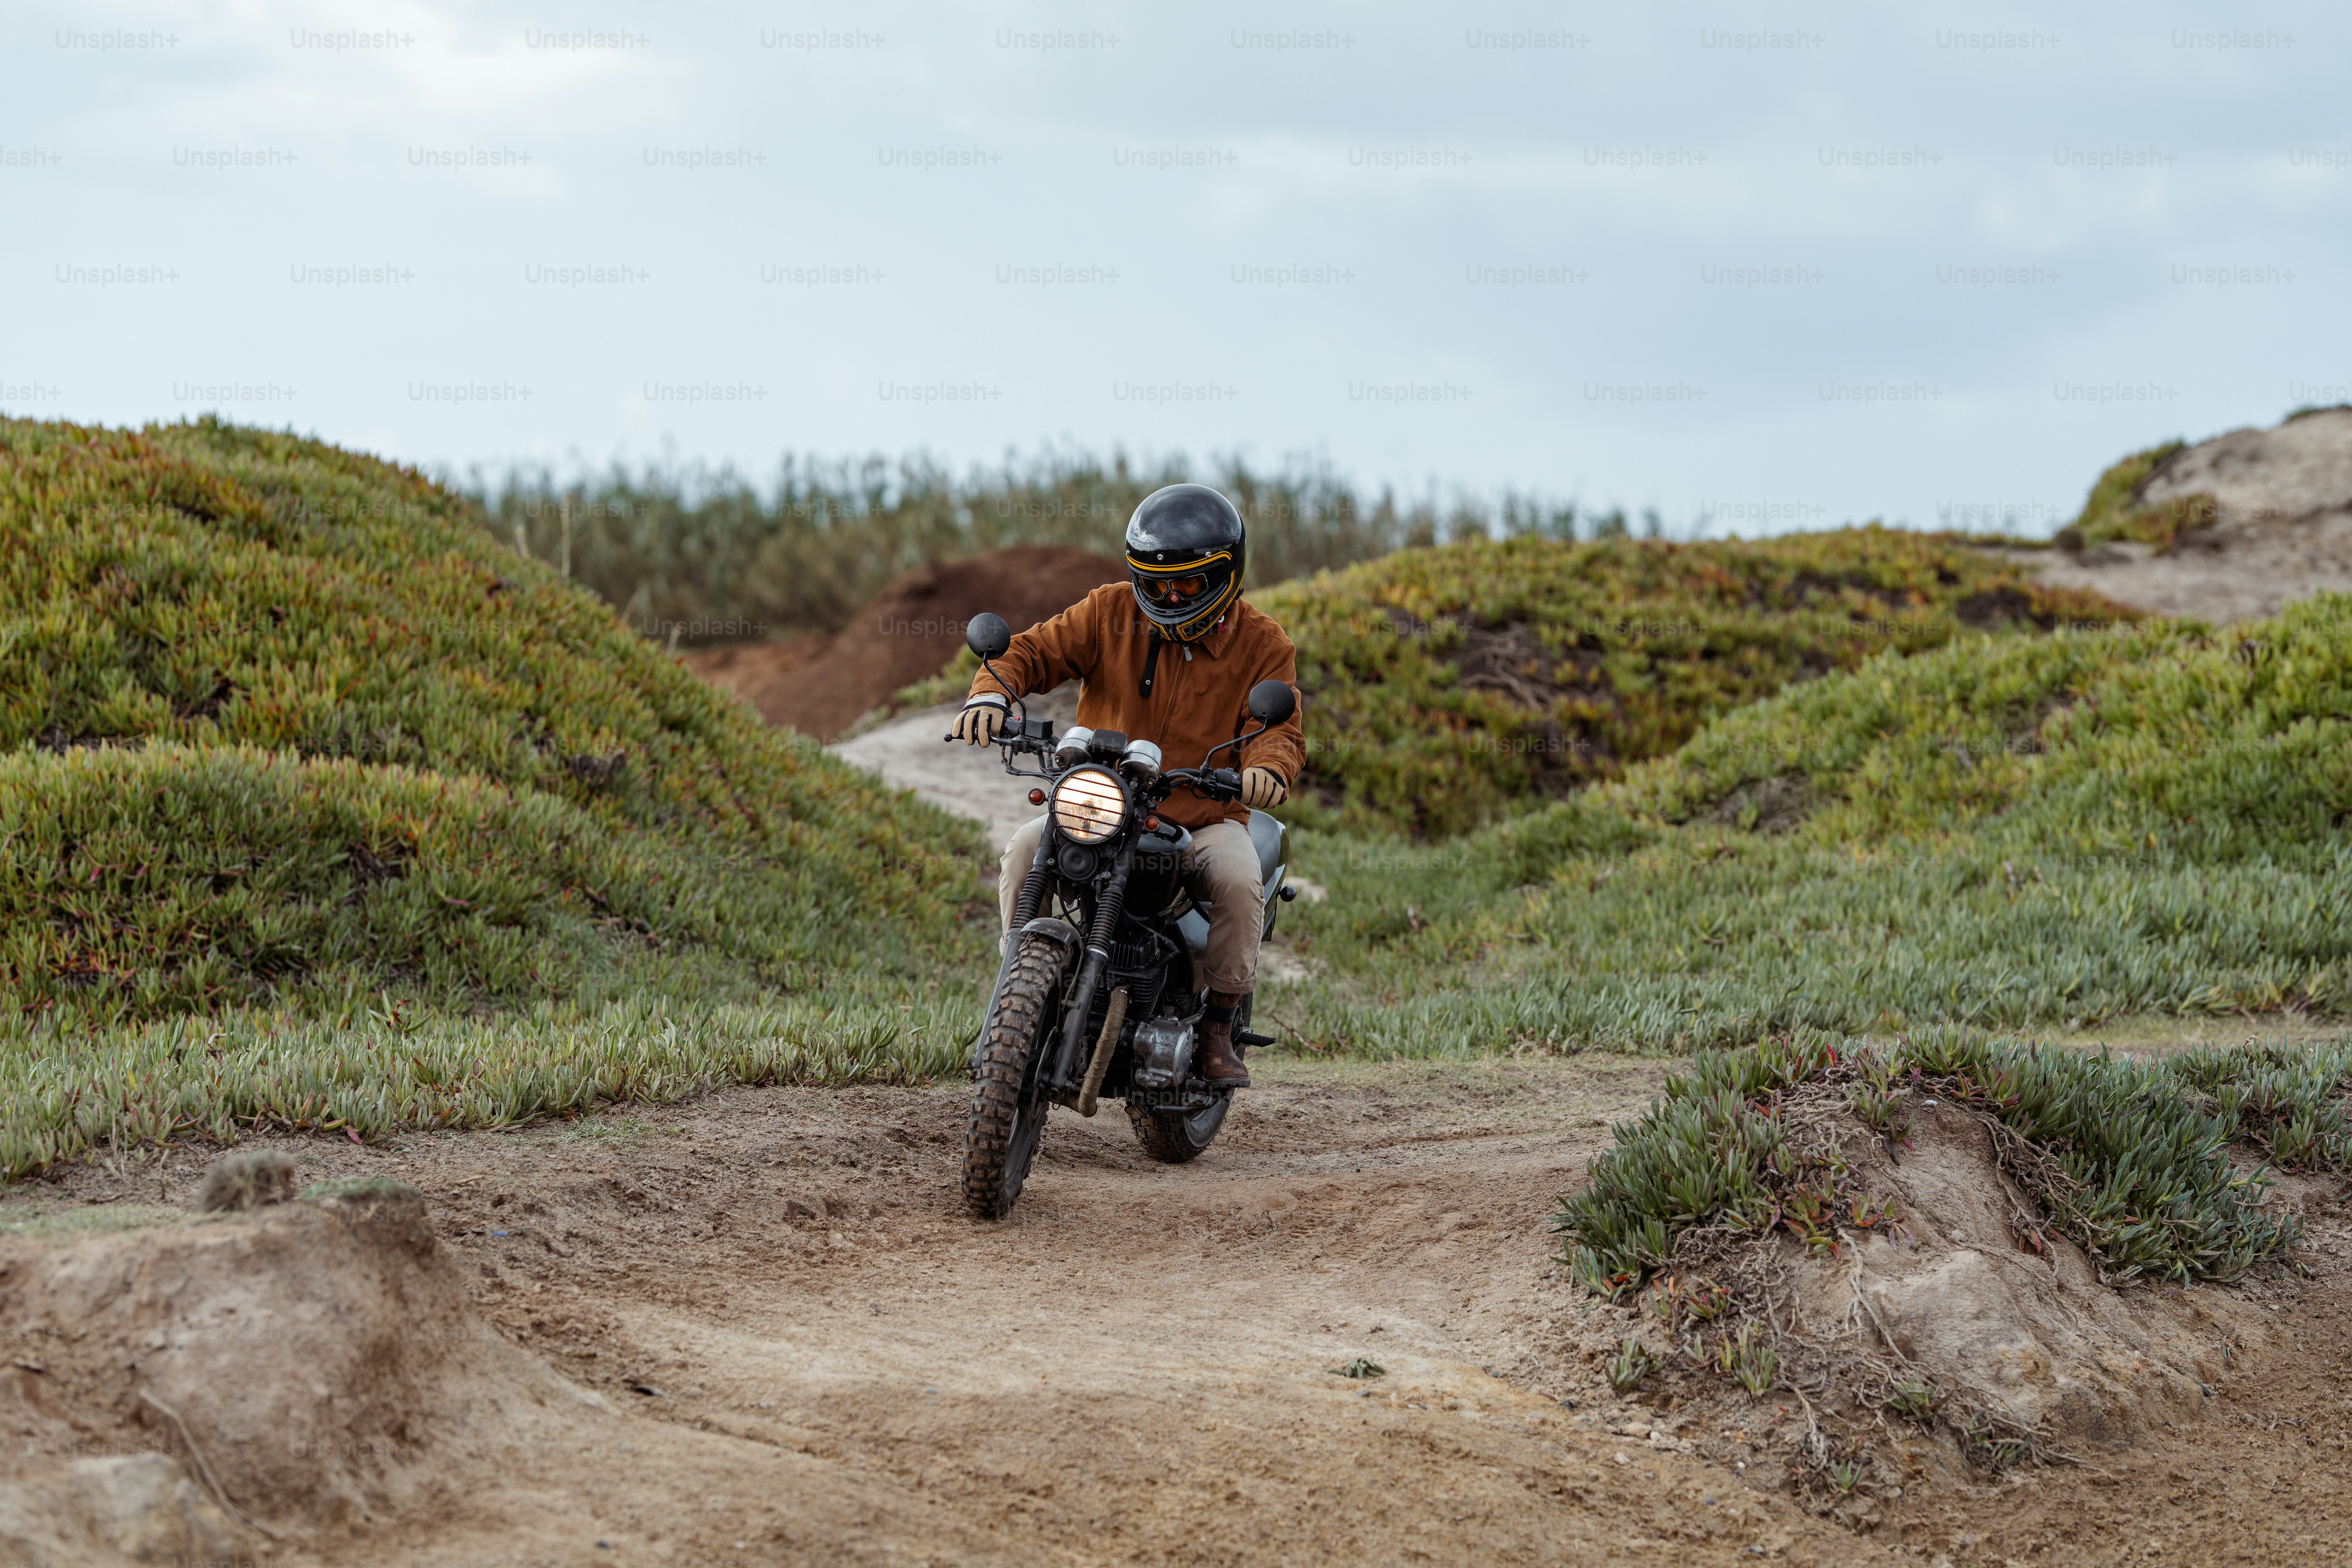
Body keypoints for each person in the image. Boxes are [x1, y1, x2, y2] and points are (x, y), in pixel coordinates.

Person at [948, 483, 1304, 1088]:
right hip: (1105, 805)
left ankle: (1219, 1027)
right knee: (1025, 851)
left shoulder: (1262, 644)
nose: (1167, 595)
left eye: (1187, 585)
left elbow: (1279, 730)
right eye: (1156, 581)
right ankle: (1017, 996)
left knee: (1241, 883)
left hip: (1203, 816)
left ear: (1225, 575)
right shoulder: (1109, 611)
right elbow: (1030, 654)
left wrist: (1265, 771)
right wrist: (990, 693)